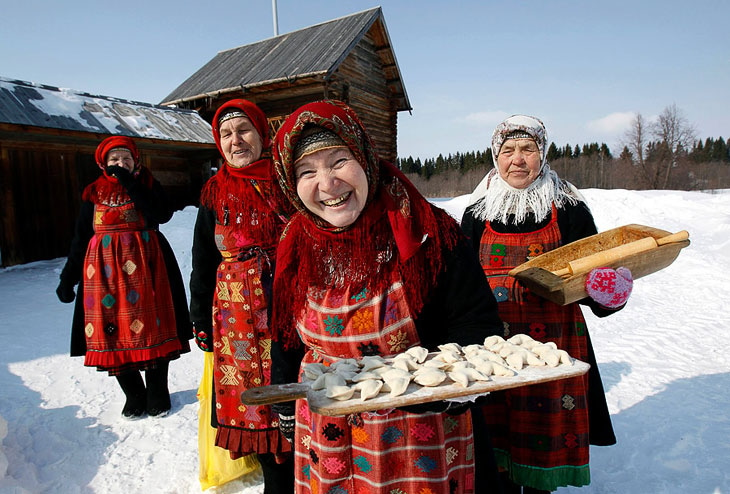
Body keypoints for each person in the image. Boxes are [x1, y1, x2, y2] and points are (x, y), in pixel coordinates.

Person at [269, 100, 505, 493]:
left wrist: (438, 391)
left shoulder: (428, 232)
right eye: (307, 171)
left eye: (339, 161)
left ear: (365, 159)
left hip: (418, 431)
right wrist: (283, 402)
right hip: (328, 429)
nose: (327, 184)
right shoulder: (294, 243)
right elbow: (285, 334)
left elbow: (477, 325)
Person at [461, 115, 630, 493]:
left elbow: (592, 279)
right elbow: (461, 285)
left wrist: (609, 294)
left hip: (555, 349)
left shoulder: (568, 208)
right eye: (507, 150)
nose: (517, 159)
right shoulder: (476, 213)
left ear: (543, 154)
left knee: (541, 446)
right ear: (495, 156)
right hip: (492, 350)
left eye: (528, 149)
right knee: (494, 445)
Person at [188, 99, 294, 493]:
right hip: (236, 322)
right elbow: (202, 262)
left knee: (293, 395)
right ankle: (276, 482)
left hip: (287, 307)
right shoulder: (213, 195)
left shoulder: (287, 184)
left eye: (244, 130)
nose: (236, 141)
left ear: (261, 134)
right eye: (226, 134)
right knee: (255, 406)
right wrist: (200, 320)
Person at [56, 135, 191, 419]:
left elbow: (161, 214)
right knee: (111, 331)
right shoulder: (93, 194)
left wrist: (131, 183)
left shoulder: (148, 185)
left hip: (147, 267)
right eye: (114, 160)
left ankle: (157, 391)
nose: (121, 164)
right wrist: (67, 279)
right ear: (103, 164)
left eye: (126, 159)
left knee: (153, 327)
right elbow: (80, 238)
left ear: (136, 162)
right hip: (103, 275)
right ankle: (133, 393)